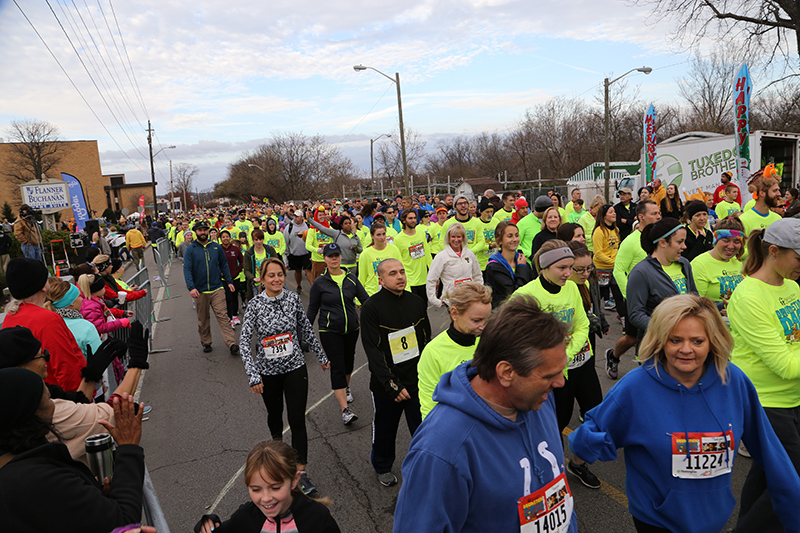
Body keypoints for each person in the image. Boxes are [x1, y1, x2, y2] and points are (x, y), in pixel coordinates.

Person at [569, 294, 800, 533]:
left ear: (712, 341)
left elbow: (771, 452)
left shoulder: (733, 381)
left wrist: (793, 510)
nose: (686, 350)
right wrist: (585, 446)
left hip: (714, 518)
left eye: (697, 341)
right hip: (657, 520)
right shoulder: (635, 387)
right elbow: (592, 434)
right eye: (675, 340)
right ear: (660, 340)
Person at [393, 296, 576, 532]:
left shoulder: (539, 399)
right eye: (549, 375)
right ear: (506, 372)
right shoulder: (440, 449)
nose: (560, 383)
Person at [0, 368, 146, 532]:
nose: (54, 405)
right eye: (49, 399)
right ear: (31, 413)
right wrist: (128, 448)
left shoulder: (19, 470)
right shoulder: (37, 480)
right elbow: (123, 523)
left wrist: (96, 497)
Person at [727, 218, 800, 531]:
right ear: (774, 251)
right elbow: (783, 364)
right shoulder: (748, 296)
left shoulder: (793, 286)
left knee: (766, 474)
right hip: (765, 403)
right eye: (799, 257)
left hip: (792, 398)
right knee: (792, 479)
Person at [513, 240, 600, 488]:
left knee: (596, 414)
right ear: (544, 266)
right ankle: (553, 472)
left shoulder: (571, 289)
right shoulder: (525, 295)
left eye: (570, 267)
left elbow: (582, 324)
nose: (567, 273)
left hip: (579, 364)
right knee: (555, 425)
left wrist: (567, 354)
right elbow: (517, 339)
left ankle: (578, 463)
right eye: (562, 268)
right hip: (550, 374)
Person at [239, 258, 329, 496]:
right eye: (271, 275)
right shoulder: (255, 304)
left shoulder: (292, 299)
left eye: (280, 274)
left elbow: (305, 327)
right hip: (268, 373)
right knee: (275, 417)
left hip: (295, 368)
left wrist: (320, 354)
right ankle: (278, 458)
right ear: (263, 278)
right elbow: (244, 343)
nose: (277, 279)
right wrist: (253, 375)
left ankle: (300, 474)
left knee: (297, 419)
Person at [360, 258, 431, 487]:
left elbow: (425, 340)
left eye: (402, 272)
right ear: (381, 279)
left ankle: (425, 467)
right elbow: (372, 349)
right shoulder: (371, 307)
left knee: (423, 428)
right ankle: (382, 466)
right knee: (385, 429)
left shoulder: (417, 302)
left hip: (416, 380)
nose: (400, 276)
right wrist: (391, 384)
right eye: (393, 273)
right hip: (387, 385)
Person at [194, 440, 341, 533]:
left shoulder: (317, 517)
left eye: (275, 488)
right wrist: (207, 523)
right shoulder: (246, 517)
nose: (265, 498)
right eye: (256, 489)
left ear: (295, 480)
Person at [2, 258, 89, 392]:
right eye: (47, 278)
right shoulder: (47, 319)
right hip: (58, 398)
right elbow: (65, 367)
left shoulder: (10, 317)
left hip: (32, 396)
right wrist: (82, 399)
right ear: (43, 287)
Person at [307, 244, 369, 425]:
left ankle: (346, 387)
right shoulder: (320, 282)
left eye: (336, 255)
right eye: (330, 256)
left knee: (349, 361)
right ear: (324, 259)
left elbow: (366, 300)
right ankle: (345, 410)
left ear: (341, 257)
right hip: (329, 330)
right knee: (338, 365)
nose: (334, 259)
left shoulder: (351, 278)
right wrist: (304, 332)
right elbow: (312, 309)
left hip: (351, 329)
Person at [417, 282, 491, 419]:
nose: (482, 327)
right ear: (454, 313)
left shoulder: (488, 341)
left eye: (486, 320)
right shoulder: (433, 353)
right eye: (476, 320)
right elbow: (429, 406)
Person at [606, 200, 662, 378]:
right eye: (654, 213)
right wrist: (630, 296)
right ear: (641, 217)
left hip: (657, 299)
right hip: (637, 299)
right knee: (631, 338)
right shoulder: (631, 241)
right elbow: (618, 270)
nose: (658, 216)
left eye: (658, 213)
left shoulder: (661, 239)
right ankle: (613, 356)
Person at [627, 218, 697, 340]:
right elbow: (636, 315)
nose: (684, 246)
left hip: (685, 340)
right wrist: (667, 330)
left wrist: (719, 306)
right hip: (656, 345)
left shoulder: (684, 264)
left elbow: (694, 297)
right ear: (662, 242)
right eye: (680, 242)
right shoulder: (641, 272)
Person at [183, 221, 240, 355]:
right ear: (196, 232)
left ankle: (231, 343)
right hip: (200, 290)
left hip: (217, 288)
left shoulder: (216, 247)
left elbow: (224, 264)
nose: (203, 232)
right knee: (203, 319)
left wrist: (229, 281)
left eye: (205, 230)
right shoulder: (191, 249)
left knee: (223, 316)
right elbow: (187, 269)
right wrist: (191, 287)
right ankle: (206, 342)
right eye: (200, 230)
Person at [690, 217, 745, 314]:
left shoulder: (738, 262)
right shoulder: (700, 264)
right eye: (726, 240)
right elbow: (695, 303)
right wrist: (718, 309)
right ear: (715, 240)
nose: (731, 246)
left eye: (736, 242)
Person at [426, 223, 483, 308]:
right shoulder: (441, 257)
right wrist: (434, 300)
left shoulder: (469, 254)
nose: (456, 240)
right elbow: (431, 279)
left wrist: (479, 293)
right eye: (453, 236)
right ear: (448, 238)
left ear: (463, 238)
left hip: (469, 299)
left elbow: (477, 275)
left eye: (459, 236)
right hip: (452, 301)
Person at [483, 220, 534, 308]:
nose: (515, 239)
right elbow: (513, 295)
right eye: (510, 236)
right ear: (499, 240)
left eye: (517, 235)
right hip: (505, 313)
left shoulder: (522, 260)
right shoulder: (494, 267)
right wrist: (521, 268)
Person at [394, 208, 432, 299]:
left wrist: (433, 272)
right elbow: (398, 262)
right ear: (404, 220)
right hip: (409, 282)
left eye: (415, 218)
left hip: (423, 279)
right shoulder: (398, 239)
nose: (413, 220)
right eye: (410, 218)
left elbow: (427, 254)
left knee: (423, 308)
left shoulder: (421, 233)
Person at [739, 170, 782, 249]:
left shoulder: (778, 219)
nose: (779, 194)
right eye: (775, 190)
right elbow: (739, 252)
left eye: (778, 190)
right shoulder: (744, 220)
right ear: (762, 193)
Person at [357, 222, 403, 296]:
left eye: (384, 234)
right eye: (378, 235)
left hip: (392, 291)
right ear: (372, 236)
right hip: (372, 293)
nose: (382, 237)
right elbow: (362, 278)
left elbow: (402, 270)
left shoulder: (393, 249)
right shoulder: (365, 254)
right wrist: (358, 299)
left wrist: (406, 289)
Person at [592, 203, 623, 310]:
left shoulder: (616, 230)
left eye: (614, 211)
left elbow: (617, 248)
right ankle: (593, 316)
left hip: (615, 269)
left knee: (618, 295)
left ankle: (623, 318)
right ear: (604, 215)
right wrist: (613, 262)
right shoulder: (599, 231)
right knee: (598, 296)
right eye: (611, 212)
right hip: (602, 269)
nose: (614, 213)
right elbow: (598, 253)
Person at [440, 194, 486, 258]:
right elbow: (442, 242)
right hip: (454, 260)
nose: (463, 205)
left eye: (465, 203)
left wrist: (470, 252)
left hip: (473, 259)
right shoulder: (448, 224)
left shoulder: (477, 222)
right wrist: (454, 253)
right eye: (460, 203)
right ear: (455, 207)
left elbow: (481, 241)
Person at [243, 229, 279, 300]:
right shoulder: (248, 253)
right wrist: (253, 278)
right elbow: (246, 270)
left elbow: (277, 264)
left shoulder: (270, 250)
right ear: (253, 240)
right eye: (256, 240)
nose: (258, 242)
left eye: (260, 239)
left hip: (270, 283)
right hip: (255, 284)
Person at [284, 210, 314, 293]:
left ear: (302, 217)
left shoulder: (307, 226)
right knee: (298, 271)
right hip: (294, 253)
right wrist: (287, 253)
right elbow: (285, 240)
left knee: (308, 270)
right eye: (294, 216)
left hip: (306, 253)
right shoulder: (289, 227)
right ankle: (299, 285)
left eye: (297, 216)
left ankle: (314, 288)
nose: (295, 218)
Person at [220, 230, 245, 327]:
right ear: (221, 239)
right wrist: (221, 273)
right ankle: (229, 318)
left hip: (235, 277)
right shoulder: (218, 249)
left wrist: (237, 270)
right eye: (223, 237)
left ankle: (235, 315)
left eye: (227, 236)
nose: (225, 238)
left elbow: (242, 261)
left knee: (235, 297)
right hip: (224, 279)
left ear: (230, 238)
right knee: (228, 298)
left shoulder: (236, 249)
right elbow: (215, 263)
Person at [306, 207, 336, 280]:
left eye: (323, 215)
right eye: (320, 215)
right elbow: (307, 245)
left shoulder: (329, 228)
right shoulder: (312, 230)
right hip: (318, 261)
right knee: (318, 281)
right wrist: (317, 250)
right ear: (316, 216)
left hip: (329, 259)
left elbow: (334, 241)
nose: (322, 217)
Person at [475, 197, 498, 271]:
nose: (490, 214)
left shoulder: (496, 221)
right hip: (481, 263)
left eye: (491, 211)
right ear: (481, 212)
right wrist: (490, 246)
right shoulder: (476, 223)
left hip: (496, 261)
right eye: (487, 212)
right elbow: (476, 243)